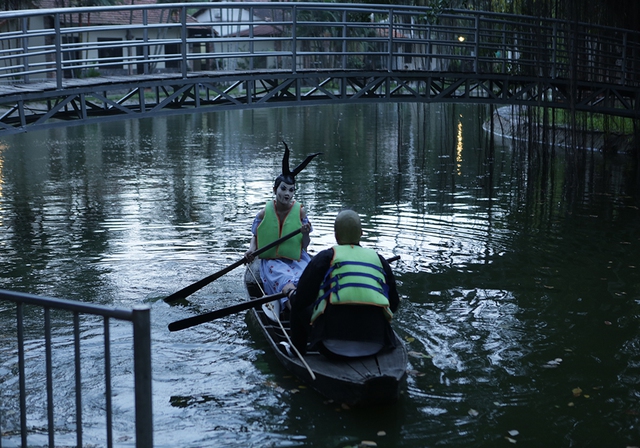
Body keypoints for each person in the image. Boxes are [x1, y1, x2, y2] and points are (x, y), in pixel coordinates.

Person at [288, 210, 400, 358]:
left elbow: (302, 299)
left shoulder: (325, 257)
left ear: (336, 235)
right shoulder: (379, 260)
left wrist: (290, 293)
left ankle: (296, 350)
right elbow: (394, 304)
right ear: (361, 233)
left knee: (296, 300)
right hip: (377, 345)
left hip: (331, 347)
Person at [245, 142, 321, 306]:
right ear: (275, 190)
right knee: (285, 281)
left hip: (297, 259)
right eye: (283, 189)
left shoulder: (300, 213)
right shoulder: (264, 213)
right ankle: (292, 304)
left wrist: (306, 233)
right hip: (273, 260)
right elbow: (255, 237)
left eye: (291, 190)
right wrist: (251, 250)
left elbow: (305, 245)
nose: (287, 194)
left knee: (308, 281)